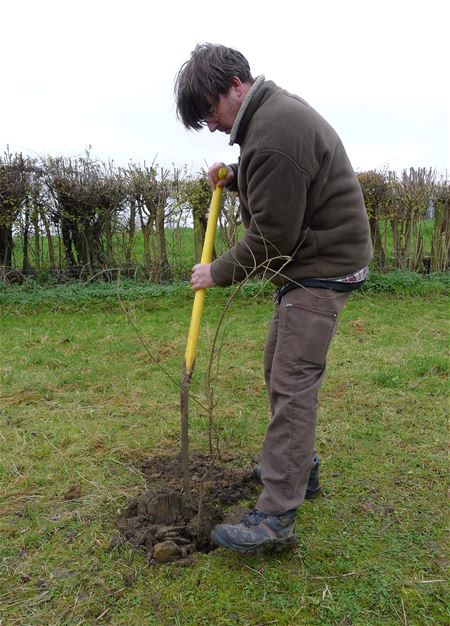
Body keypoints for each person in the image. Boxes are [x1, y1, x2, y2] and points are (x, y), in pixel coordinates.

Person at [175, 43, 372, 554]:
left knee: (292, 381)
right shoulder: (270, 119)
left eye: (210, 111)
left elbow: (273, 237)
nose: (212, 125)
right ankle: (297, 468)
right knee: (277, 367)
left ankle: (275, 517)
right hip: (311, 263)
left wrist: (214, 273)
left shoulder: (273, 132)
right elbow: (281, 184)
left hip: (321, 267)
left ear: (235, 87)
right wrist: (237, 177)